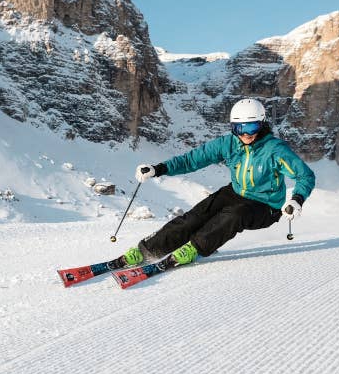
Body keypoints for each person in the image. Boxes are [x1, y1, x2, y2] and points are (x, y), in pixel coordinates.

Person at [124, 98, 316, 267]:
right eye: (239, 128)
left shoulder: (275, 149)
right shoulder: (228, 144)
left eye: (252, 127)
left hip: (266, 206)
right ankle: (148, 250)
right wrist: (158, 169)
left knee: (234, 215)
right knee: (195, 217)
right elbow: (193, 160)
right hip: (236, 192)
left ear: (262, 124)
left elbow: (305, 175)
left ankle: (194, 248)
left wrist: (296, 199)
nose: (245, 134)